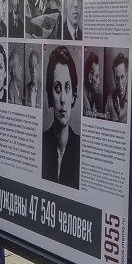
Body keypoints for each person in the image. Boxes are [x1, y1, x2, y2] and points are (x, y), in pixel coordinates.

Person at [42, 46, 80, 188]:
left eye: (67, 88)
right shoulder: (41, 143)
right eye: (57, 88)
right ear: (50, 95)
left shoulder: (80, 148)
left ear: (73, 95)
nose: (63, 98)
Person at [106, 51, 129, 122]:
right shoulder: (109, 100)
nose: (120, 83)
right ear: (114, 79)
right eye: (117, 78)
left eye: (122, 77)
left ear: (126, 76)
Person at [83, 50, 103, 119]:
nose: (99, 82)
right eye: (96, 76)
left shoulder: (91, 96)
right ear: (90, 77)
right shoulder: (83, 101)